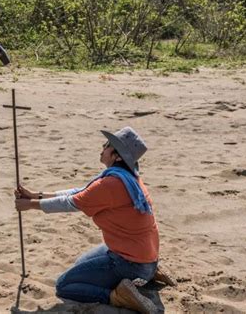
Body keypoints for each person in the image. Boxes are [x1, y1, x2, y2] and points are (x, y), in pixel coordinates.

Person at [14, 127, 160, 313]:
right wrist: (36, 196)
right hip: (144, 256)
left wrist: (30, 205)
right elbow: (80, 191)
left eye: (108, 145)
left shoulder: (110, 184)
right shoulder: (127, 178)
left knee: (64, 285)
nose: (102, 147)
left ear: (118, 157)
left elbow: (71, 202)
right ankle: (146, 276)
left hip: (131, 263)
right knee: (80, 263)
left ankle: (118, 296)